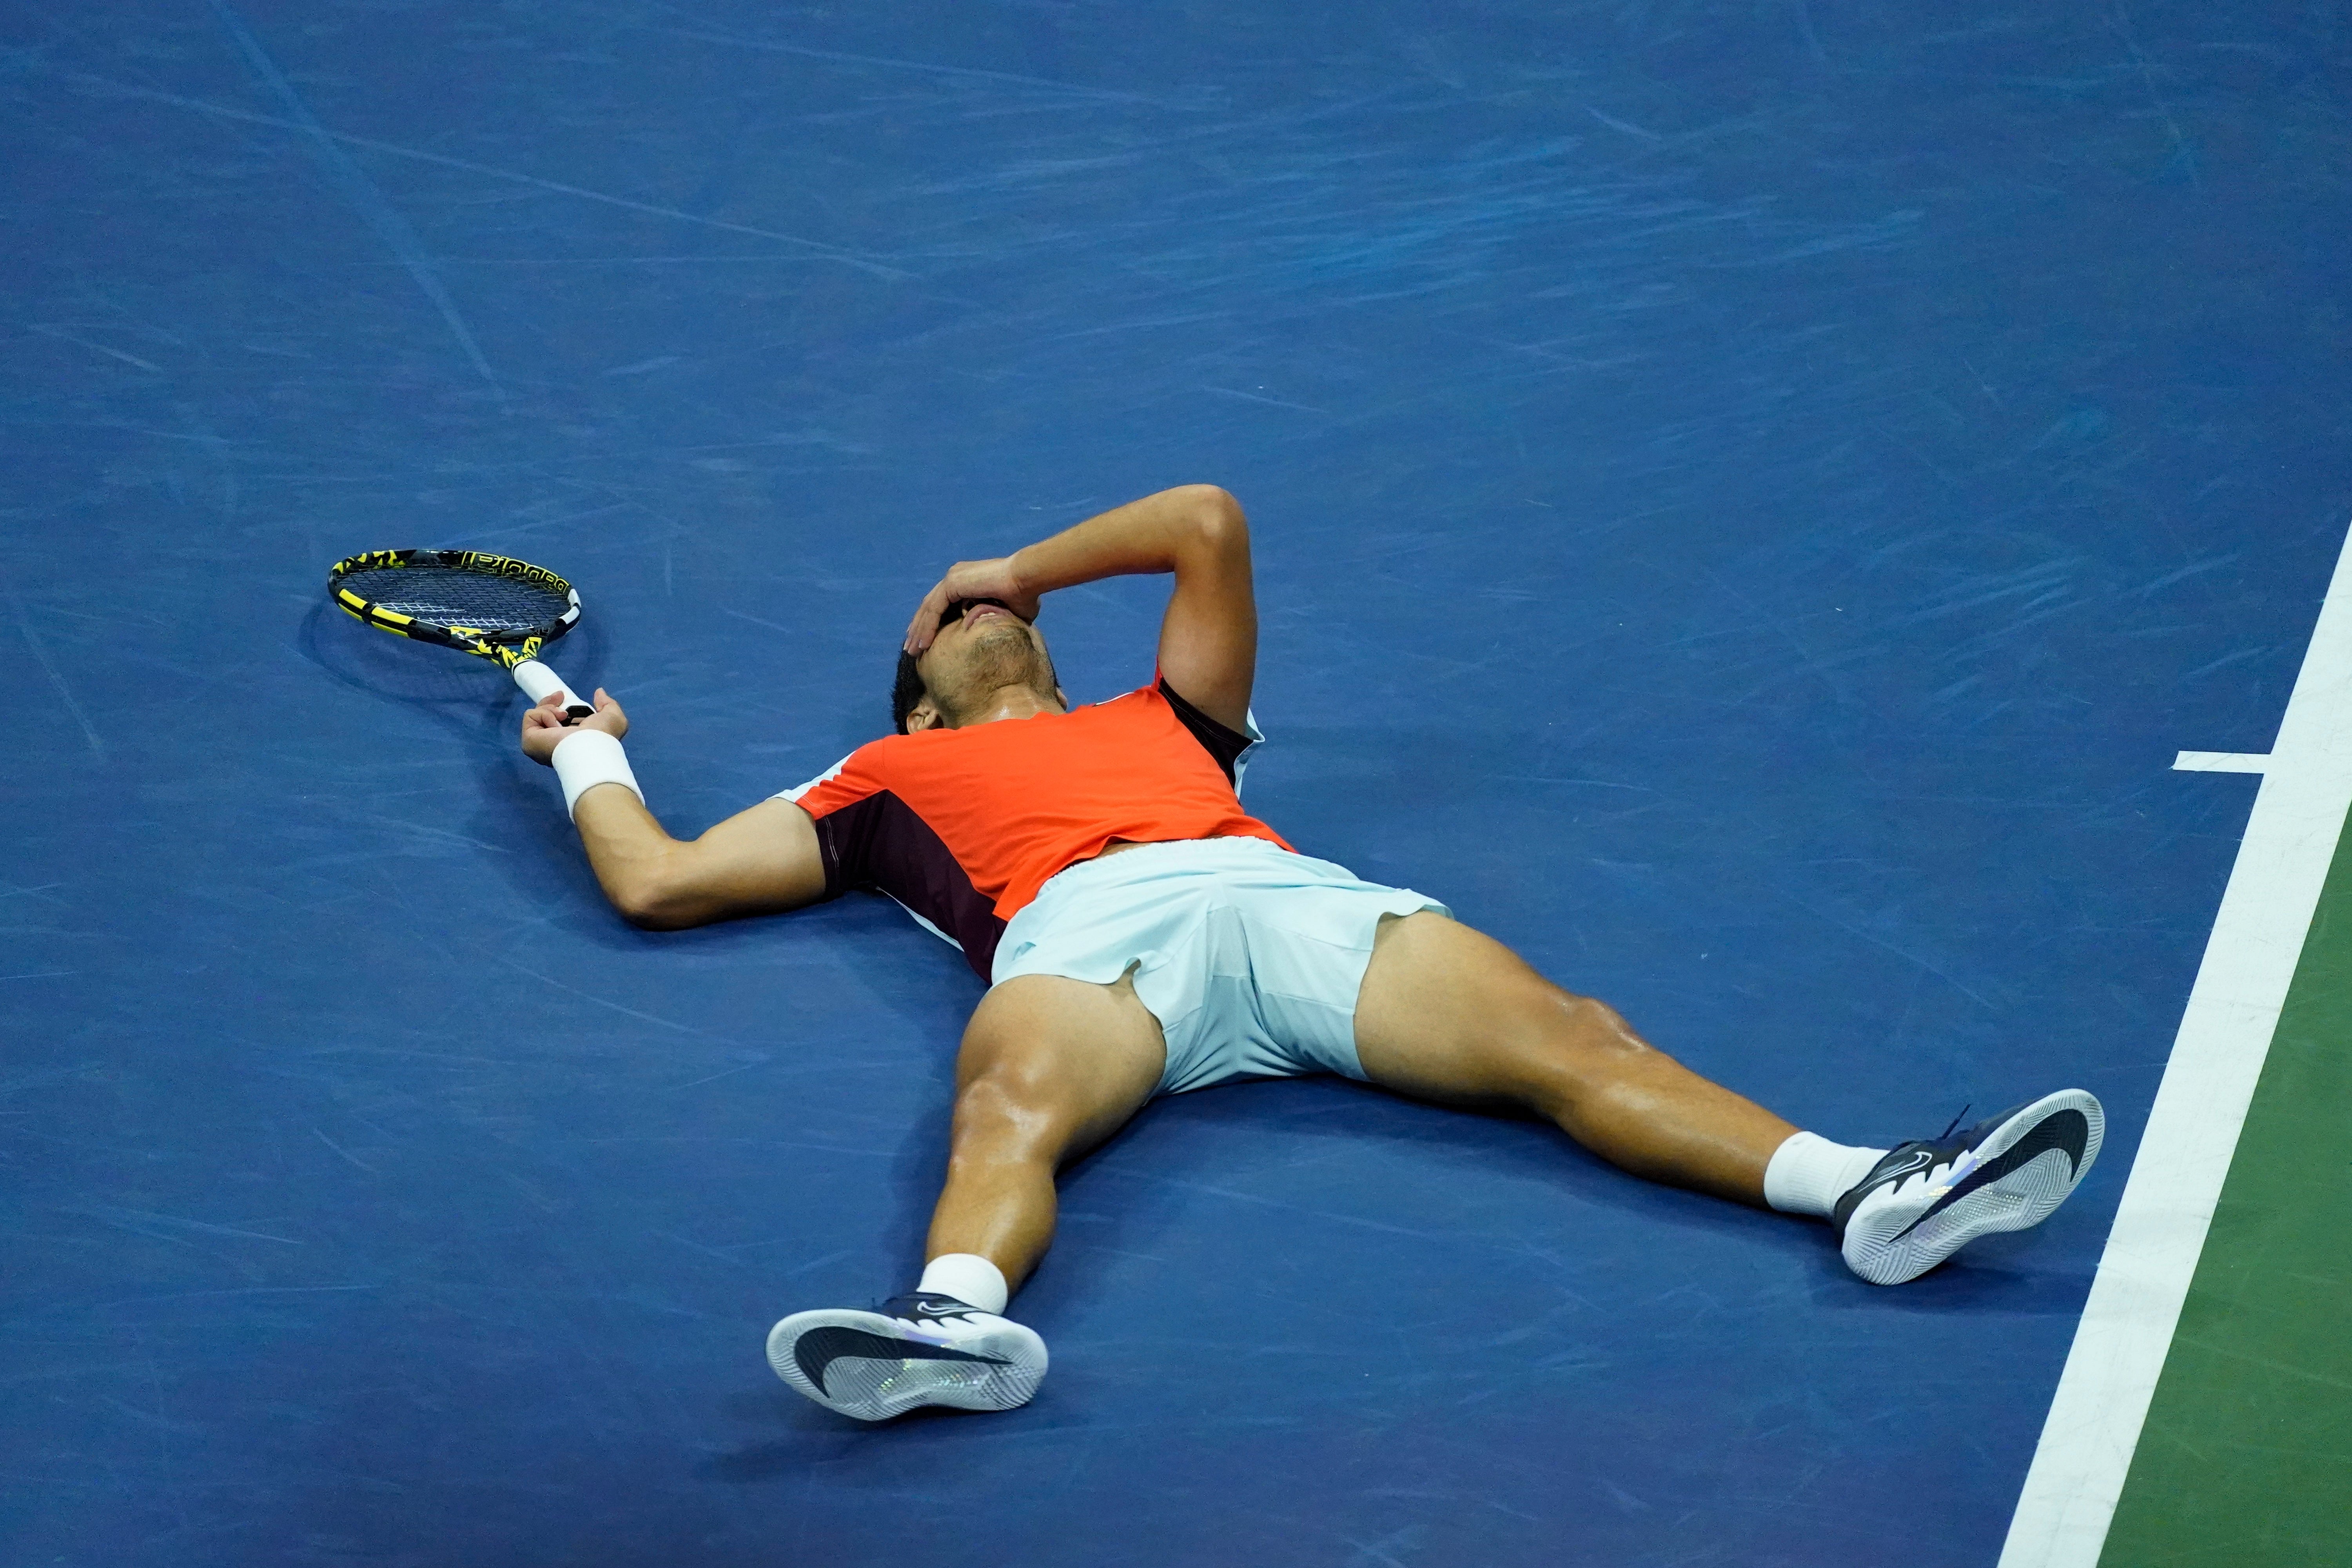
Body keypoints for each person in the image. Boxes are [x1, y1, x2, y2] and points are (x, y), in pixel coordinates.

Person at [519, 485, 2104, 1423]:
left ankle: (1870, 1194)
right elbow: (655, 881)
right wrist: (589, 753)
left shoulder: (1170, 720)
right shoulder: (868, 783)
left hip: (1283, 906)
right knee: (1007, 1100)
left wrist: (1015, 568)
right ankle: (952, 1327)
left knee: (1576, 1038)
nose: (976, 627)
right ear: (913, 704)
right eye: (939, 631)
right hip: (1087, 944)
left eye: (996, 619)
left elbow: (1207, 521)